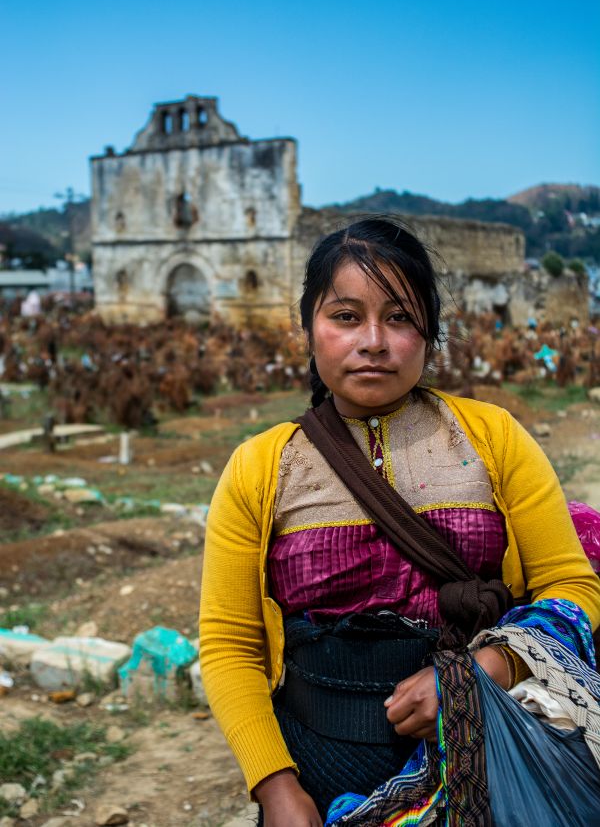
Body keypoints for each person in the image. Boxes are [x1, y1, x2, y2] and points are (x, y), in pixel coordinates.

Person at [200, 217, 600, 826]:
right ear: (310, 327)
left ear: (430, 334)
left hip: (480, 755)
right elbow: (231, 646)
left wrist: (476, 673)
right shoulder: (260, 466)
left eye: (399, 318)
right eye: (345, 316)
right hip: (317, 766)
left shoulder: (494, 438)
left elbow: (573, 587)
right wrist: (275, 787)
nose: (373, 341)